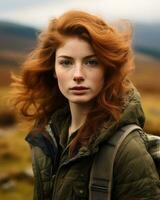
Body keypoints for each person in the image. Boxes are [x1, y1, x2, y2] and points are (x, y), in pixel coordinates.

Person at [11, 10, 160, 200]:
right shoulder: (49, 136)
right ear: (54, 69)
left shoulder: (128, 149)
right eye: (66, 62)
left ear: (107, 68)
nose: (78, 74)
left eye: (91, 62)